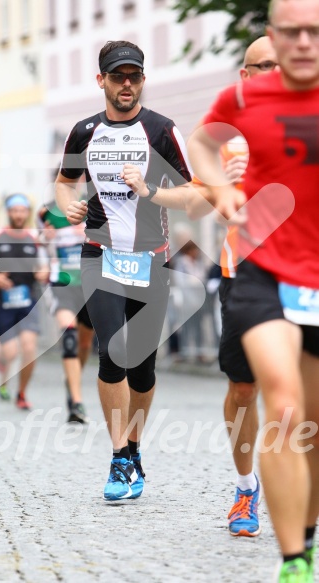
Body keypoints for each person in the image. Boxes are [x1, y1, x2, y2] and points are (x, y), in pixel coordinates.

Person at [188, 0, 319, 579]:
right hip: (254, 270)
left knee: (310, 417)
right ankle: (287, 551)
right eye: (290, 34)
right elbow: (200, 148)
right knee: (276, 403)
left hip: (314, 273)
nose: (304, 44)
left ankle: (304, 527)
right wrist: (222, 190)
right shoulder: (240, 107)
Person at [55, 40, 194, 501]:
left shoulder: (161, 130)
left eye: (134, 75)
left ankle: (134, 447)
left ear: (143, 80)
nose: (127, 84)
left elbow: (194, 194)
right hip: (100, 254)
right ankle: (118, 457)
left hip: (152, 260)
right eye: (118, 77)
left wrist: (152, 190)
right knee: (112, 355)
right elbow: (64, 181)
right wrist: (67, 208)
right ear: (102, 81)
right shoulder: (84, 131)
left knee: (143, 369)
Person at [190, 36, 279, 538]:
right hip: (242, 274)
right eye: (258, 66)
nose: (269, 71)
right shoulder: (227, 133)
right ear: (244, 76)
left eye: (277, 63)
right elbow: (199, 205)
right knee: (243, 387)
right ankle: (246, 488)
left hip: (305, 274)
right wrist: (223, 183)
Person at [0, 193, 49, 409]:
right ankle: (3, 381)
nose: (18, 215)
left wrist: (42, 273)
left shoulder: (34, 239)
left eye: (22, 210)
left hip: (27, 302)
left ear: (27, 213)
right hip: (2, 303)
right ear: (8, 213)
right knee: (9, 353)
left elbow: (44, 266)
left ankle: (22, 393)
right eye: (14, 211)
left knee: (29, 348)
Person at [38, 198, 95, 423]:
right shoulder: (47, 211)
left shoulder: (95, 204)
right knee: (69, 338)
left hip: (90, 284)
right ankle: (76, 401)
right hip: (62, 284)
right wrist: (44, 240)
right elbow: (37, 240)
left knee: (84, 344)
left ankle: (73, 382)